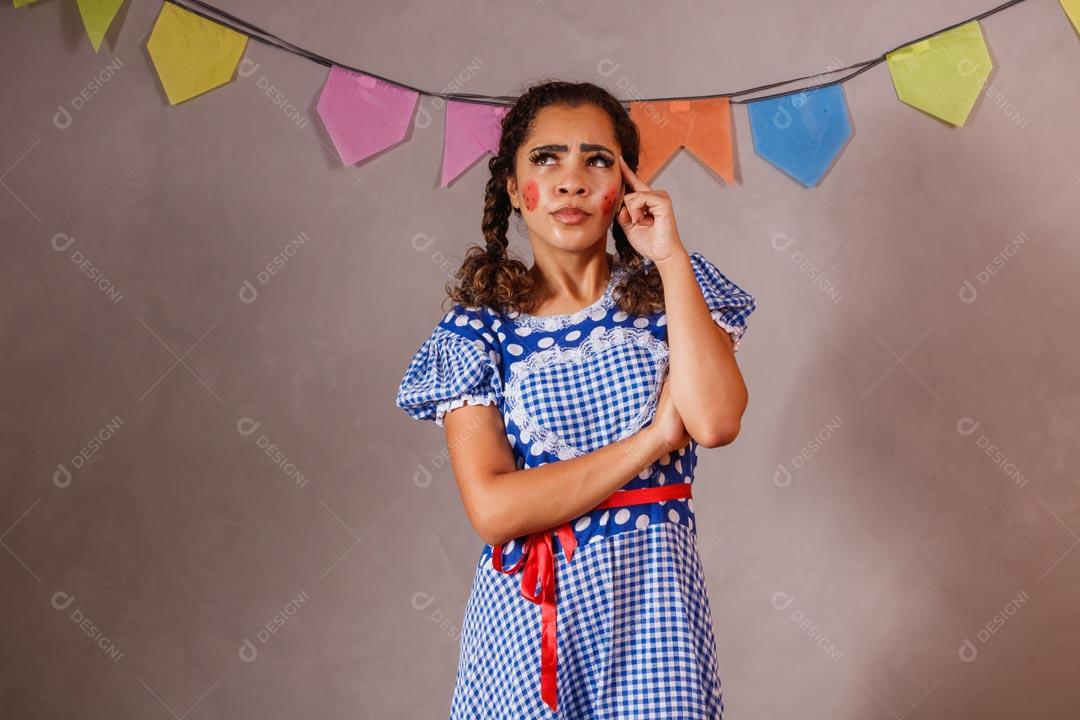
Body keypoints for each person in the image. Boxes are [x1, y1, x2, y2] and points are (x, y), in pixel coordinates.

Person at [395, 79, 756, 719]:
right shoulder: (478, 331)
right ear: (511, 185)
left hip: (655, 618)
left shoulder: (674, 295)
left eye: (596, 159)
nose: (571, 182)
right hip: (529, 628)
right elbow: (495, 508)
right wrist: (651, 440)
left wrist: (670, 258)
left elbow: (715, 419)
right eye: (546, 159)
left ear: (627, 183)